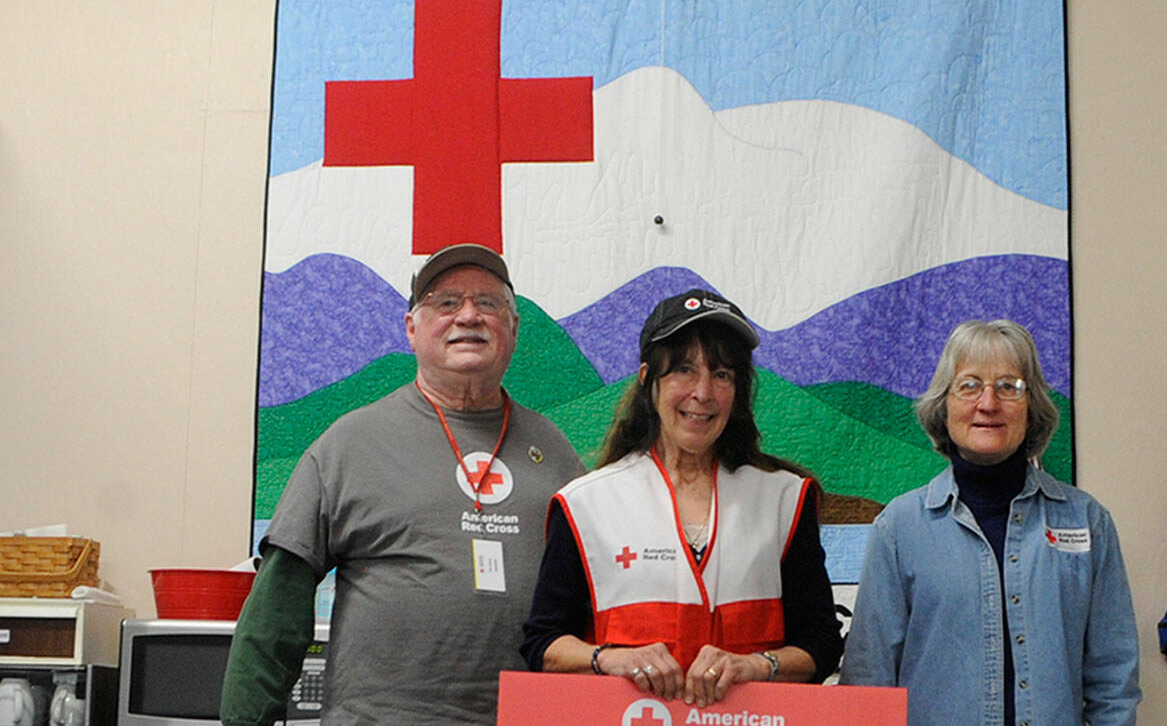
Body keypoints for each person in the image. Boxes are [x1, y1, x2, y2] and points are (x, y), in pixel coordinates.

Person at [221, 243, 586, 725]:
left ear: (514, 329)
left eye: (489, 303)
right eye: (446, 302)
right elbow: (274, 614)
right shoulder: (348, 445)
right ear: (412, 329)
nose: (469, 316)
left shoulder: (557, 451)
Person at [520, 289, 844, 707]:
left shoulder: (783, 498)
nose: (703, 392)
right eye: (684, 370)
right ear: (646, 380)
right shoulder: (587, 504)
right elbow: (542, 645)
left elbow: (820, 645)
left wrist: (757, 666)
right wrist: (611, 659)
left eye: (723, 374)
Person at [840, 319, 1141, 725]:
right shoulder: (899, 528)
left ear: (1032, 406)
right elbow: (868, 684)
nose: (988, 403)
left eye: (1009, 386)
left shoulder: (1088, 520)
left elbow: (1113, 681)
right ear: (943, 406)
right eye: (969, 385)